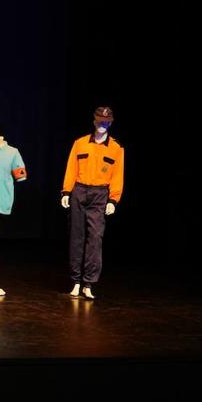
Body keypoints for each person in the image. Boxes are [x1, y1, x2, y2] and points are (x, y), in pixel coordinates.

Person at [61, 106, 124, 300]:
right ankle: (76, 282)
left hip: (99, 194)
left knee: (95, 238)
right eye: (99, 121)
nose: (102, 124)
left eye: (106, 121)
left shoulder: (116, 148)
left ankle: (88, 283)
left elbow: (117, 175)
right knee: (77, 237)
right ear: (94, 121)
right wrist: (66, 191)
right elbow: (71, 167)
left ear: (110, 123)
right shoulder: (80, 143)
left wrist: (114, 198)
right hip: (79, 191)